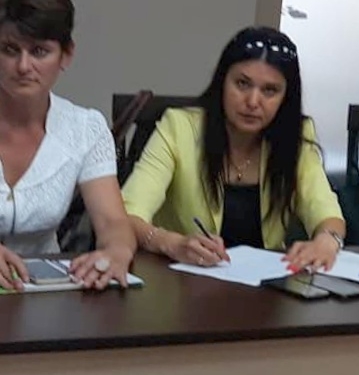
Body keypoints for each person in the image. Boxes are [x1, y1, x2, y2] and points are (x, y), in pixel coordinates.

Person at [122, 26, 345, 272]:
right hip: (185, 283)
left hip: (267, 284)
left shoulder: (296, 136)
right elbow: (127, 214)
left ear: (286, 98)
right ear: (222, 82)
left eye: (270, 90)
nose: (252, 101)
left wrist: (327, 240)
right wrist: (171, 243)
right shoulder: (179, 128)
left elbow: (326, 211)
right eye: (242, 84)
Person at [0, 0, 137, 291]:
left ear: (67, 55)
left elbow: (112, 222)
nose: (23, 66)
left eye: (39, 51)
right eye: (9, 49)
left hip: (44, 295)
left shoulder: (86, 128)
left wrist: (116, 252)